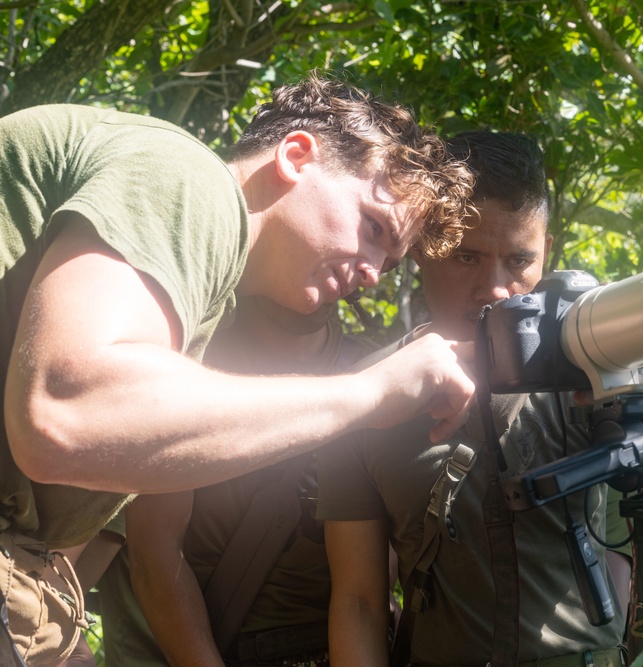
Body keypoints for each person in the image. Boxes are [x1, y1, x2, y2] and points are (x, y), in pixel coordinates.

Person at [0, 71, 477, 666]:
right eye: (373, 227)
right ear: (297, 155)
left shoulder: (197, 310)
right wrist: (368, 394)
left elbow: (69, 527)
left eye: (390, 257)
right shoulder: (188, 177)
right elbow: (65, 411)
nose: (374, 272)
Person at [317, 131, 643, 666]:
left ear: (548, 251)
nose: (497, 289)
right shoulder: (368, 398)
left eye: (520, 260)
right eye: (466, 257)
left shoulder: (599, 370)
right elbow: (360, 601)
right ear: (422, 249)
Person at [118, 294, 382, 667]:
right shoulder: (189, 363)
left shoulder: (376, 372)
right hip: (224, 649)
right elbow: (154, 553)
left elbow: (376, 586)